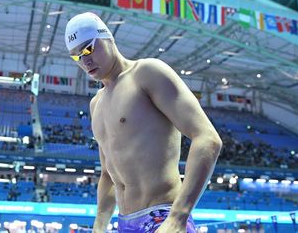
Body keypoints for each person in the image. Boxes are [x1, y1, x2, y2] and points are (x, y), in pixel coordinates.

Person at [65, 12, 222, 233]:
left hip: (162, 218)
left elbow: (207, 139)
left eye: (88, 48)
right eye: (76, 56)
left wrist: (178, 217)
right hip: (125, 223)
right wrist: (99, 226)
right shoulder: (96, 104)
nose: (84, 60)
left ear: (108, 37)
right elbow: (108, 174)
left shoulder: (147, 73)